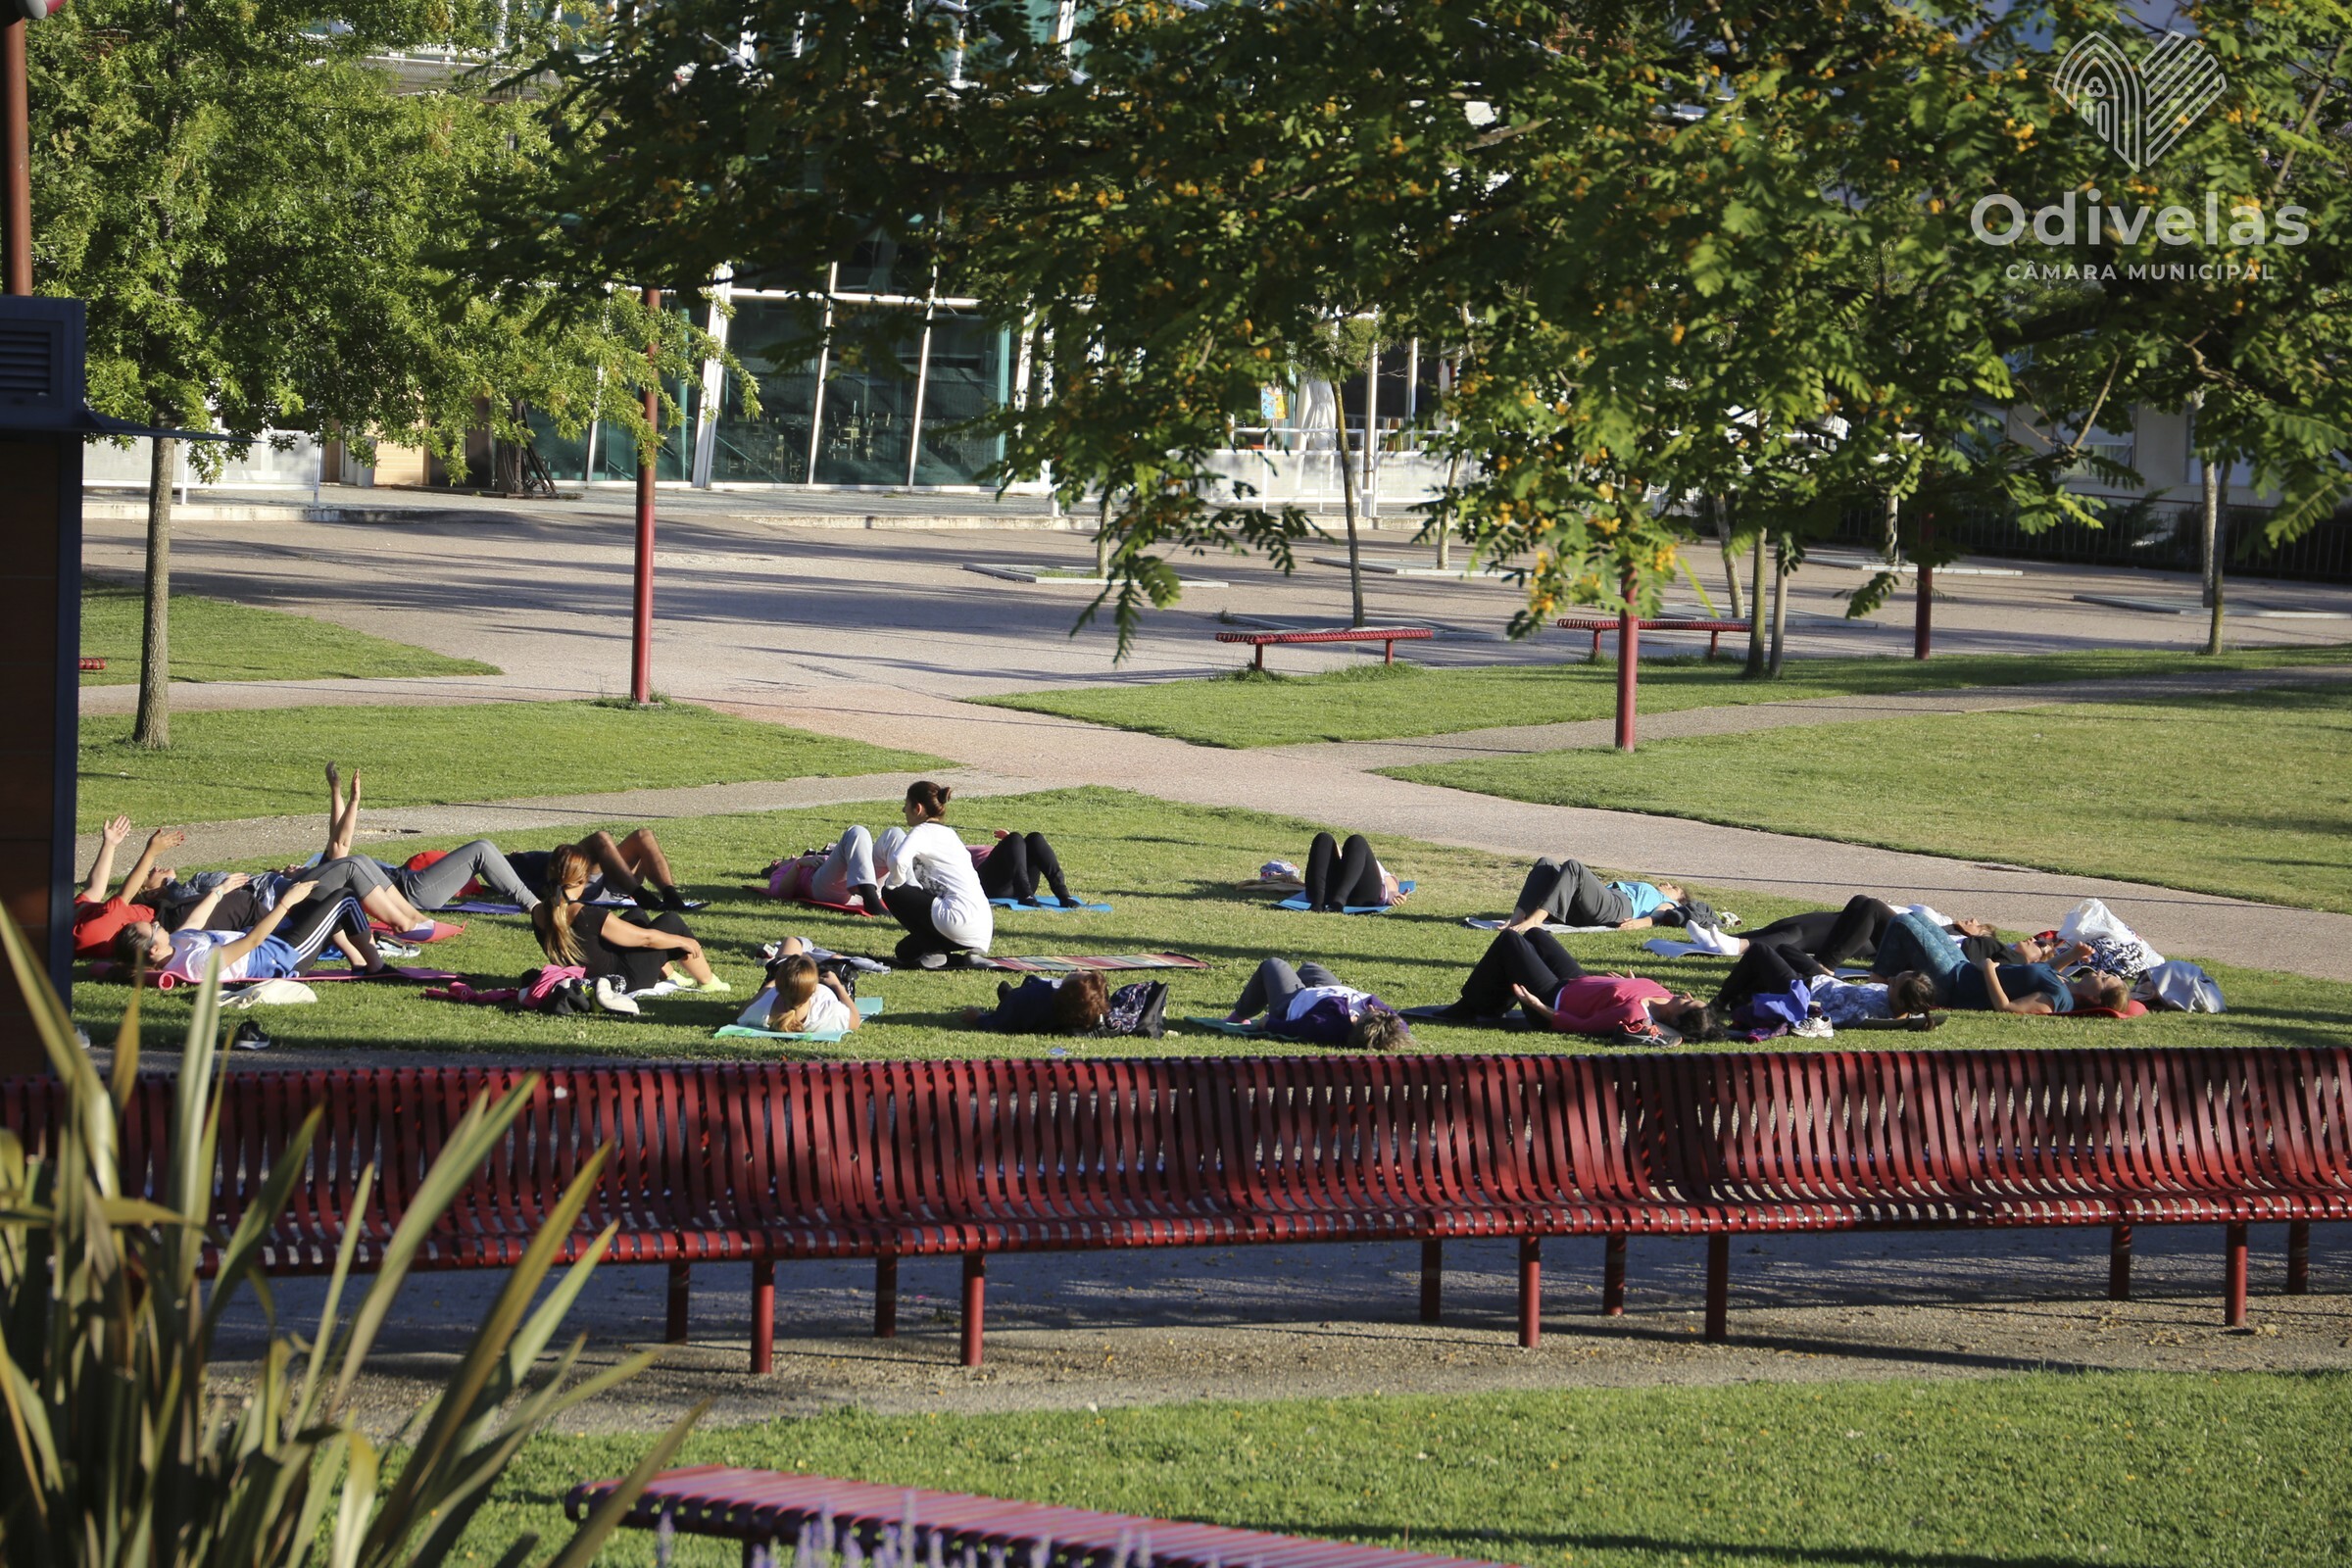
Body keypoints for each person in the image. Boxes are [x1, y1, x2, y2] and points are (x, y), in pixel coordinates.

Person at [1436, 927, 1722, 1043]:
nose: (1686, 994)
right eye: (1691, 996)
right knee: (1536, 934)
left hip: (1554, 998)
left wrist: (1538, 1006)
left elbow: (1582, 1025)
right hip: (1576, 983)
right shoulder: (1664, 996)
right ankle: (1491, 1004)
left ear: (1676, 1019)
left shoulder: (1634, 1014)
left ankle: (1468, 1006)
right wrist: (1627, 984)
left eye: (1687, 1002)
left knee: (1510, 941)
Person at [113, 878, 391, 984]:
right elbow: (252, 941)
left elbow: (195, 922)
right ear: (154, 950)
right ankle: (376, 967)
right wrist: (285, 903)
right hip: (283, 956)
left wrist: (219, 891)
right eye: (153, 927)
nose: (157, 923)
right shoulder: (196, 964)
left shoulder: (175, 945)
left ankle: (358, 962)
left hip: (272, 940)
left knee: (320, 894)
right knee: (344, 898)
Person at [533, 846, 726, 993]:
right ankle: (709, 982)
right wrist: (683, 941)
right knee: (671, 921)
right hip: (623, 980)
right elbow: (646, 939)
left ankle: (670, 976)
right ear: (583, 879)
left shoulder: (539, 912)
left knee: (636, 916)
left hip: (589, 975)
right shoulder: (587, 914)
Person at [1870, 911, 2130, 1015]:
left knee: (1903, 924)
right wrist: (2074, 954)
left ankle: (1877, 985)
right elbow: (2048, 969)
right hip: (1963, 969)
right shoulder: (2065, 983)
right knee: (1916, 918)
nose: (2101, 972)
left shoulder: (2058, 999)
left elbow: (2007, 1008)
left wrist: (1989, 971)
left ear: (2095, 998)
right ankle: (1885, 983)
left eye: (2104, 979)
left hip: (1955, 984)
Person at [877, 781, 994, 968]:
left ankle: (933, 951)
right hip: (981, 927)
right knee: (905, 951)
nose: (903, 810)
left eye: (906, 804)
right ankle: (969, 956)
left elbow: (898, 860)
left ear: (918, 808)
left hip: (956, 919)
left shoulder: (923, 831)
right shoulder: (950, 834)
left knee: (891, 891)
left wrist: (896, 883)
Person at [1711, 940, 1938, 1031]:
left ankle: (1718, 1003)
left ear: (1901, 999)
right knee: (1784, 949)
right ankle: (1744, 997)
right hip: (1826, 981)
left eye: (1894, 983)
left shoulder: (1868, 1010)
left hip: (1803, 993)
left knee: (1760, 951)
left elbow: (1830, 1020)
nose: (1890, 980)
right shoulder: (1902, 1004)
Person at [1225, 957, 1411, 1050]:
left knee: (1273, 964)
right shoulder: (1386, 1022)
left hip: (1293, 1001)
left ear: (1360, 1024)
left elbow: (1294, 1029)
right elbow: (1401, 1026)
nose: (1372, 1006)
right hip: (1330, 992)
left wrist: (1268, 1023)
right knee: (1310, 967)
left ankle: (1240, 1015)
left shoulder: (1329, 1025)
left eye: (1370, 1012)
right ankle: (1295, 980)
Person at [71, 816, 185, 958]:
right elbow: (126, 894)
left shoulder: (74, 916)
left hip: (153, 911)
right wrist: (151, 852)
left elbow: (95, 890)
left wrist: (109, 844)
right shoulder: (90, 932)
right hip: (163, 922)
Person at [505, 828, 689, 909]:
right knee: (601, 839)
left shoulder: (531, 859)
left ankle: (670, 894)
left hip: (614, 883)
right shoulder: (523, 864)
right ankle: (642, 896)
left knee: (644, 835)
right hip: (578, 882)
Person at [1502, 858, 1686, 932]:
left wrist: (1640, 923)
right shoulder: (1655, 891)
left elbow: (1661, 914)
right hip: (1587, 909)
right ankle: (1518, 917)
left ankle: (1535, 920)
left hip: (1616, 908)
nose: (1667, 884)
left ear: (1678, 899)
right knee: (1546, 864)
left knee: (1574, 867)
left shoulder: (1669, 902)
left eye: (1674, 887)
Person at [764, 828, 889, 915]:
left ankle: (899, 894)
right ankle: (871, 901)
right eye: (783, 859)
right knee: (857, 832)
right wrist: (798, 864)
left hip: (859, 891)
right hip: (826, 886)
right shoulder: (781, 872)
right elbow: (781, 894)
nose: (791, 855)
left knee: (892, 835)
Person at [964, 970, 1110, 1035]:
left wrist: (978, 1017)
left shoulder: (1029, 998)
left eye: (1075, 974)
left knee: (1016, 991)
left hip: (1017, 1000)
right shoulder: (1082, 1013)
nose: (1078, 969)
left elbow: (998, 1023)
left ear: (1068, 990)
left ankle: (1006, 994)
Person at [1299, 831, 1406, 912]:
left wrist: (1392, 892)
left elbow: (1388, 878)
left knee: (1357, 841)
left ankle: (1336, 902)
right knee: (1323, 837)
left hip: (1361, 895)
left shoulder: (1361, 858)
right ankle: (1319, 903)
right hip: (1326, 891)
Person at [970, 829, 1081, 907]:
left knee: (1035, 837)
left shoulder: (1007, 846)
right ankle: (1025, 894)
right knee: (1015, 837)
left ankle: (1063, 894)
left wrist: (1010, 843)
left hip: (1023, 881)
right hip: (992, 886)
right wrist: (1010, 841)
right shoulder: (964, 848)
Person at [758, 953, 861, 1034]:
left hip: (797, 980)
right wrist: (837, 985)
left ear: (778, 986)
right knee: (836, 962)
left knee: (791, 941)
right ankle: (835, 958)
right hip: (827, 982)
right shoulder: (829, 1012)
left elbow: (748, 1007)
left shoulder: (760, 1011)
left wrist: (772, 983)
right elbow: (856, 1021)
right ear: (814, 989)